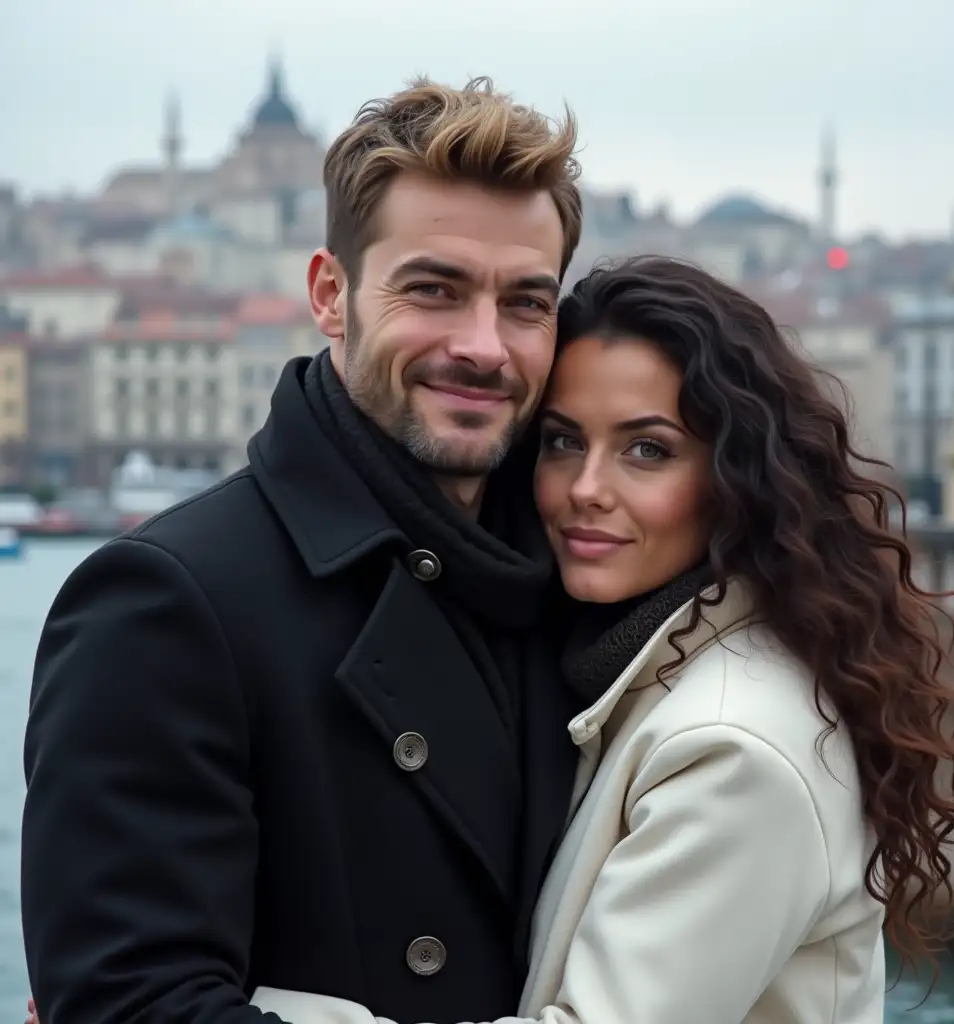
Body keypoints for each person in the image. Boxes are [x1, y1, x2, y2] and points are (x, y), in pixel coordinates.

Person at [244, 258, 954, 1024]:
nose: (586, 488)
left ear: (739, 482)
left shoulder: (735, 749)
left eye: (648, 450)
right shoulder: (644, 668)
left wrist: (250, 1007)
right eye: (563, 442)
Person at [21, 77, 585, 1024]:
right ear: (331, 295)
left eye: (526, 303)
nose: (485, 346)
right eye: (434, 290)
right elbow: (131, 1003)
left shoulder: (581, 586)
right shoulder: (165, 602)